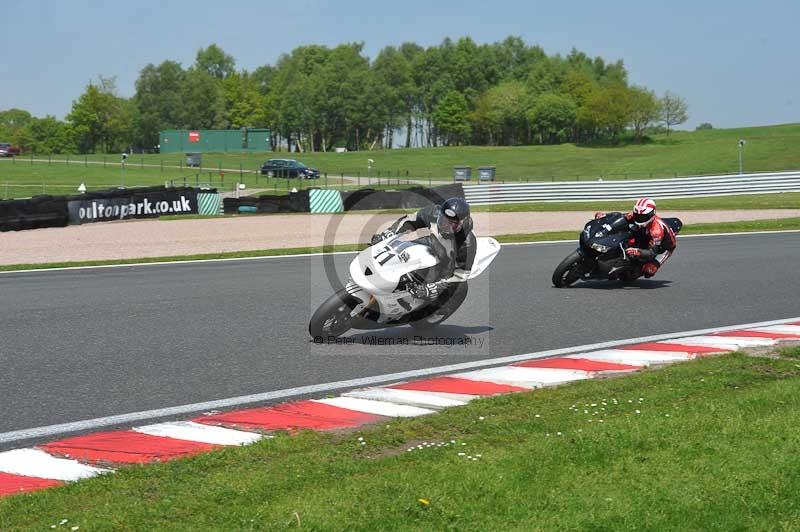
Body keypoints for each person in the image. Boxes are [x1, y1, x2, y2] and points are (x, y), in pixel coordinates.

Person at [371, 197, 476, 306]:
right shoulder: (433, 213)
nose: (446, 227)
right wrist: (391, 233)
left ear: (463, 223)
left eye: (453, 225)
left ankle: (425, 304)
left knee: (453, 287)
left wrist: (435, 288)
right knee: (399, 250)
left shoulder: (467, 244)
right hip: (432, 243)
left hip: (447, 263)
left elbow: (459, 276)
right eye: (444, 221)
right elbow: (411, 220)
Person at [596, 197, 676, 278]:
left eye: (643, 216)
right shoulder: (635, 216)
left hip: (663, 248)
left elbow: (652, 253)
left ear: (652, 214)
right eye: (637, 215)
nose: (639, 218)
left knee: (649, 270)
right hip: (645, 235)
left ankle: (637, 270)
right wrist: (605, 216)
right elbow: (620, 217)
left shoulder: (656, 231)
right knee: (628, 234)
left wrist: (638, 251)